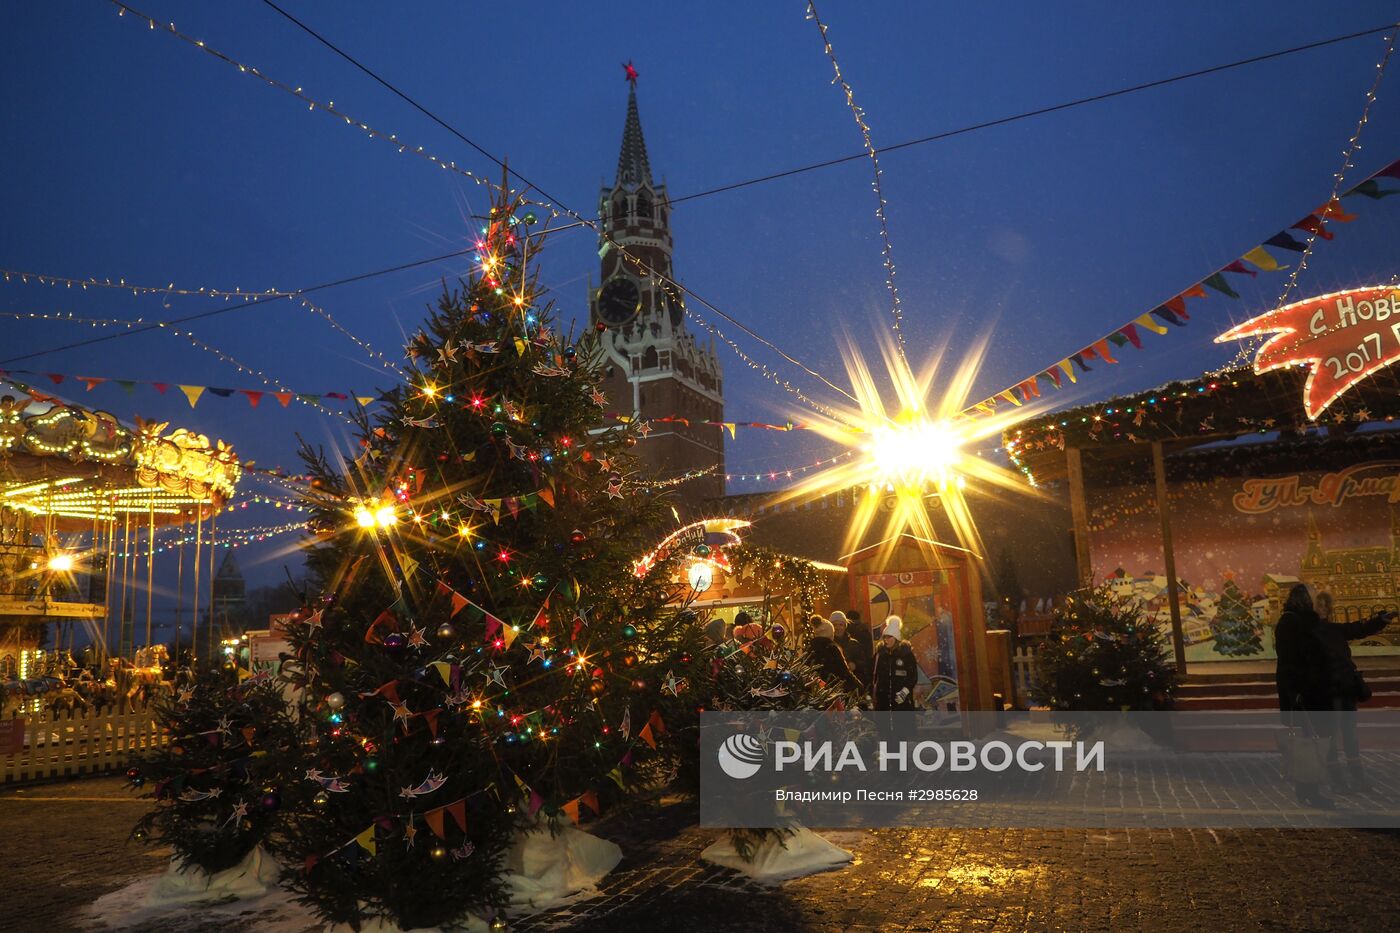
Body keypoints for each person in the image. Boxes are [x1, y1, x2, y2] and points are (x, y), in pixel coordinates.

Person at [1314, 591, 1393, 793]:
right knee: (1330, 736)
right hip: (1326, 691)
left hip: (1344, 688)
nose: (1322, 610)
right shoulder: (1308, 633)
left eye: (1324, 606)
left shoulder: (1332, 629)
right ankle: (1338, 781)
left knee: (1350, 736)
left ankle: (1357, 779)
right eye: (1318, 606)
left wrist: (1379, 621)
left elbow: (1358, 628)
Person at [1274, 584, 1337, 808]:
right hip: (1306, 693)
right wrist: (1299, 689)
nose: (1316, 598)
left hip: (1310, 691)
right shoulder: (1292, 622)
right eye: (1312, 595)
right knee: (1310, 743)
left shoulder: (1301, 621)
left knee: (1311, 741)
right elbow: (1292, 660)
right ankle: (1309, 789)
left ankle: (1306, 789)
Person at [872, 615, 919, 711]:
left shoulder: (906, 654)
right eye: (884, 637)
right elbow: (872, 675)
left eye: (889, 637)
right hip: (883, 702)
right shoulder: (880, 654)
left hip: (902, 702)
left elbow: (913, 676)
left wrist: (904, 692)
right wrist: (870, 695)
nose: (886, 640)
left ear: (896, 638)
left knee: (902, 725)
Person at [807, 617, 862, 693]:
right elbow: (844, 672)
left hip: (815, 690)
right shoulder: (832, 648)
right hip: (832, 689)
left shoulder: (810, 648)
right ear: (830, 634)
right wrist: (859, 686)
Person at [843, 609, 876, 688]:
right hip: (863, 673)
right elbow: (868, 655)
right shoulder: (864, 631)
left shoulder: (849, 633)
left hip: (854, 672)